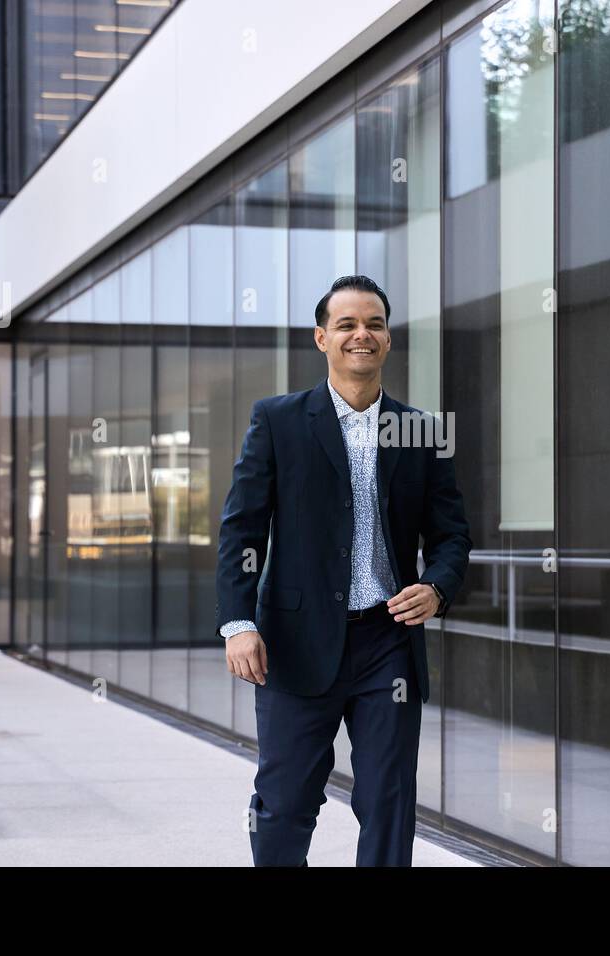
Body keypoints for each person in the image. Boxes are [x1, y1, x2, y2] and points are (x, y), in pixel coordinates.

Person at [216, 274, 471, 867]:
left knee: (388, 801)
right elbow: (242, 528)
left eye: (374, 324)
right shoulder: (277, 421)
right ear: (322, 338)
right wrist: (237, 622)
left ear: (387, 339)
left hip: (388, 643)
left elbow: (453, 536)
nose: (363, 334)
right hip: (295, 643)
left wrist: (436, 587)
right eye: (348, 324)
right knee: (284, 802)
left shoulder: (421, 432)